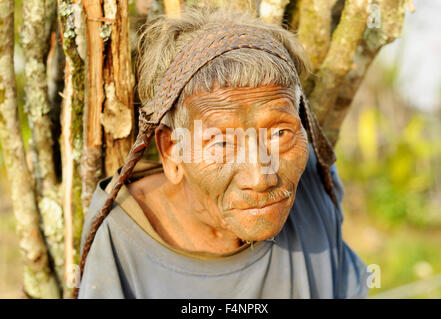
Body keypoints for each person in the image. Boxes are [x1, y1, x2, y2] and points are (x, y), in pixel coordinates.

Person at [76, 8, 369, 299]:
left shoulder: (315, 188)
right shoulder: (122, 239)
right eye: (222, 143)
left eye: (279, 134)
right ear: (172, 151)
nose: (260, 177)